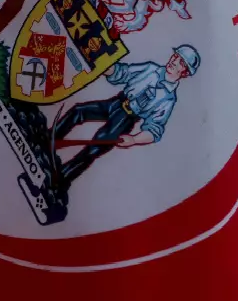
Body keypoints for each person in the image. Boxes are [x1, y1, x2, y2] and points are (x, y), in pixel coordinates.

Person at [49, 44, 200, 192]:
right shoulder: (151, 68)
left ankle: (59, 178)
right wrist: (106, 67)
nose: (174, 61)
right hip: (115, 102)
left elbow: (154, 129)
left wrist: (134, 139)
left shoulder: (168, 99)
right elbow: (124, 72)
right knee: (79, 110)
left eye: (181, 62)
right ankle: (49, 140)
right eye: (175, 56)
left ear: (185, 72)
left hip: (126, 119)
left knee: (95, 147)